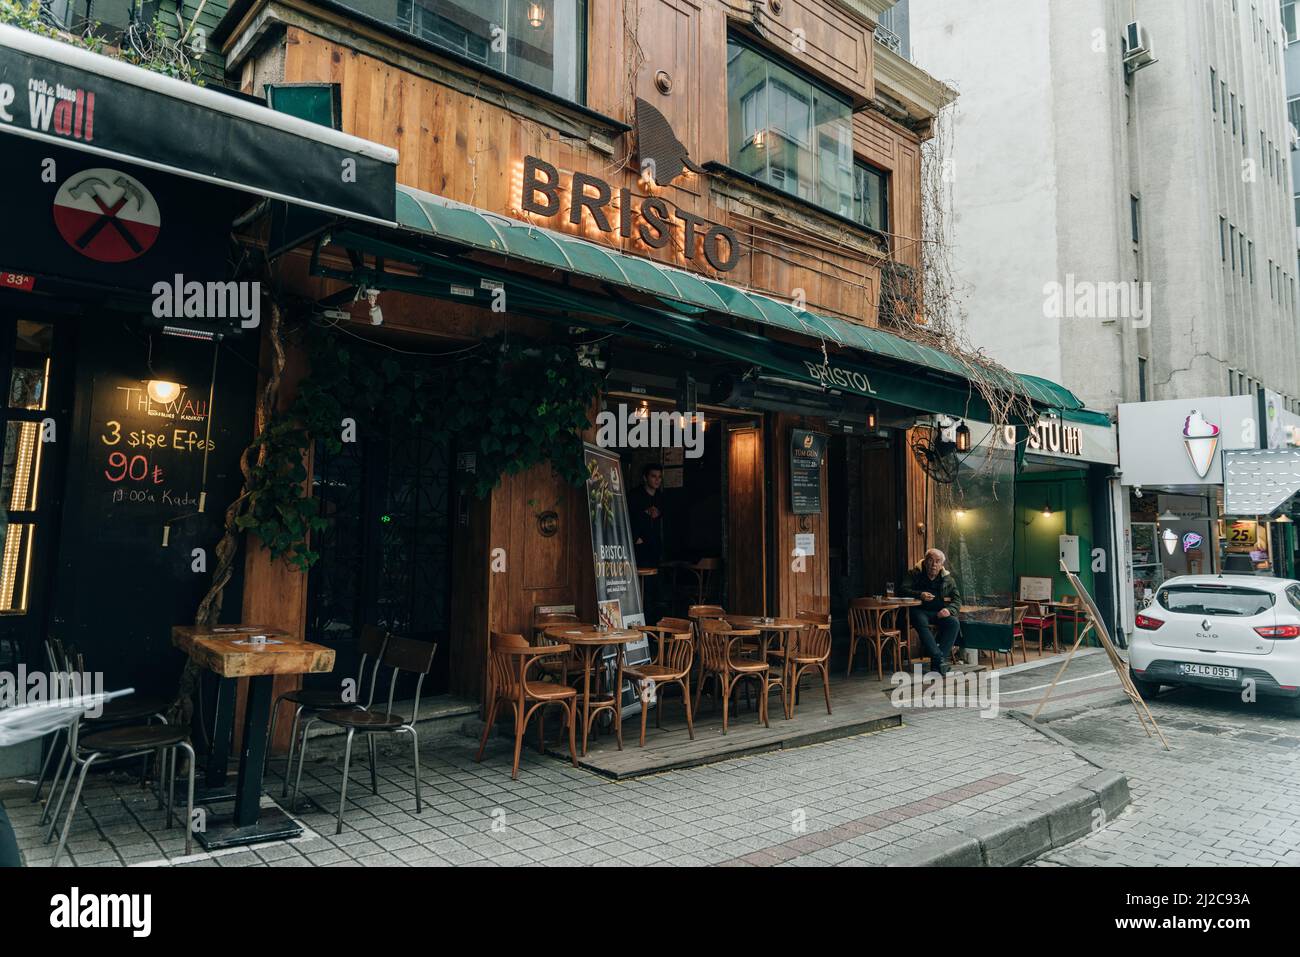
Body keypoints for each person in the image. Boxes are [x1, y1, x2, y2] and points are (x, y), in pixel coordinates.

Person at [900, 548, 962, 676]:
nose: (934, 564)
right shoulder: (914, 574)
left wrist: (949, 610)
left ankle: (937, 661)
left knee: (954, 623)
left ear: (941, 565)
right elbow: (902, 590)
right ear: (925, 561)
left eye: (937, 561)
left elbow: (957, 599)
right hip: (919, 610)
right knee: (919, 619)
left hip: (938, 612)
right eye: (930, 560)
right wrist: (920, 595)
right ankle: (939, 660)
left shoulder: (948, 579)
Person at [628, 464, 666, 617]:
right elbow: (627, 517)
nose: (657, 480)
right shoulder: (634, 495)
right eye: (653, 476)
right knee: (638, 585)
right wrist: (635, 538)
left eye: (659, 477)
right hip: (639, 546)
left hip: (654, 547)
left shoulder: (660, 497)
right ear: (645, 478)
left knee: (653, 586)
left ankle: (650, 623)